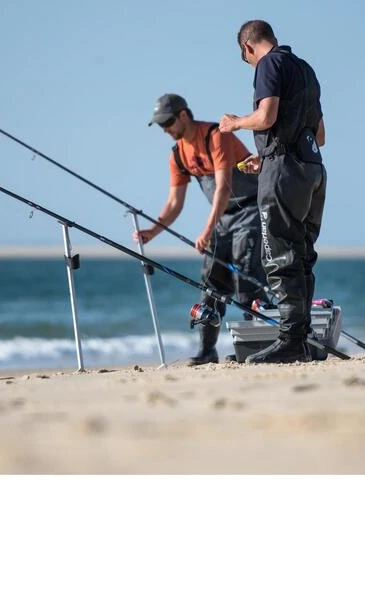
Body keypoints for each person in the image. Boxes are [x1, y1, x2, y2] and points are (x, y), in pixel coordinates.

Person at [219, 20, 327, 365]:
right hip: (312, 168)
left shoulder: (269, 64)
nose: (249, 63)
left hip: (285, 172)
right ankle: (302, 339)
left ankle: (291, 341)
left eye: (245, 58)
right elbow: (320, 134)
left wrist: (235, 123)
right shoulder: (305, 69)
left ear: (247, 47)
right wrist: (265, 156)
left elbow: (266, 117)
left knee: (279, 255)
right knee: (303, 254)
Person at [135, 93, 266, 365]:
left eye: (167, 122)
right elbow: (174, 203)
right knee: (210, 285)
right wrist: (152, 232)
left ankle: (257, 346)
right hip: (222, 219)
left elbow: (222, 188)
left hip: (250, 211)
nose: (165, 129)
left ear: (183, 115)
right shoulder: (178, 155)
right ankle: (207, 351)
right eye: (160, 125)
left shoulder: (217, 136)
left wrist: (206, 232)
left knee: (246, 280)